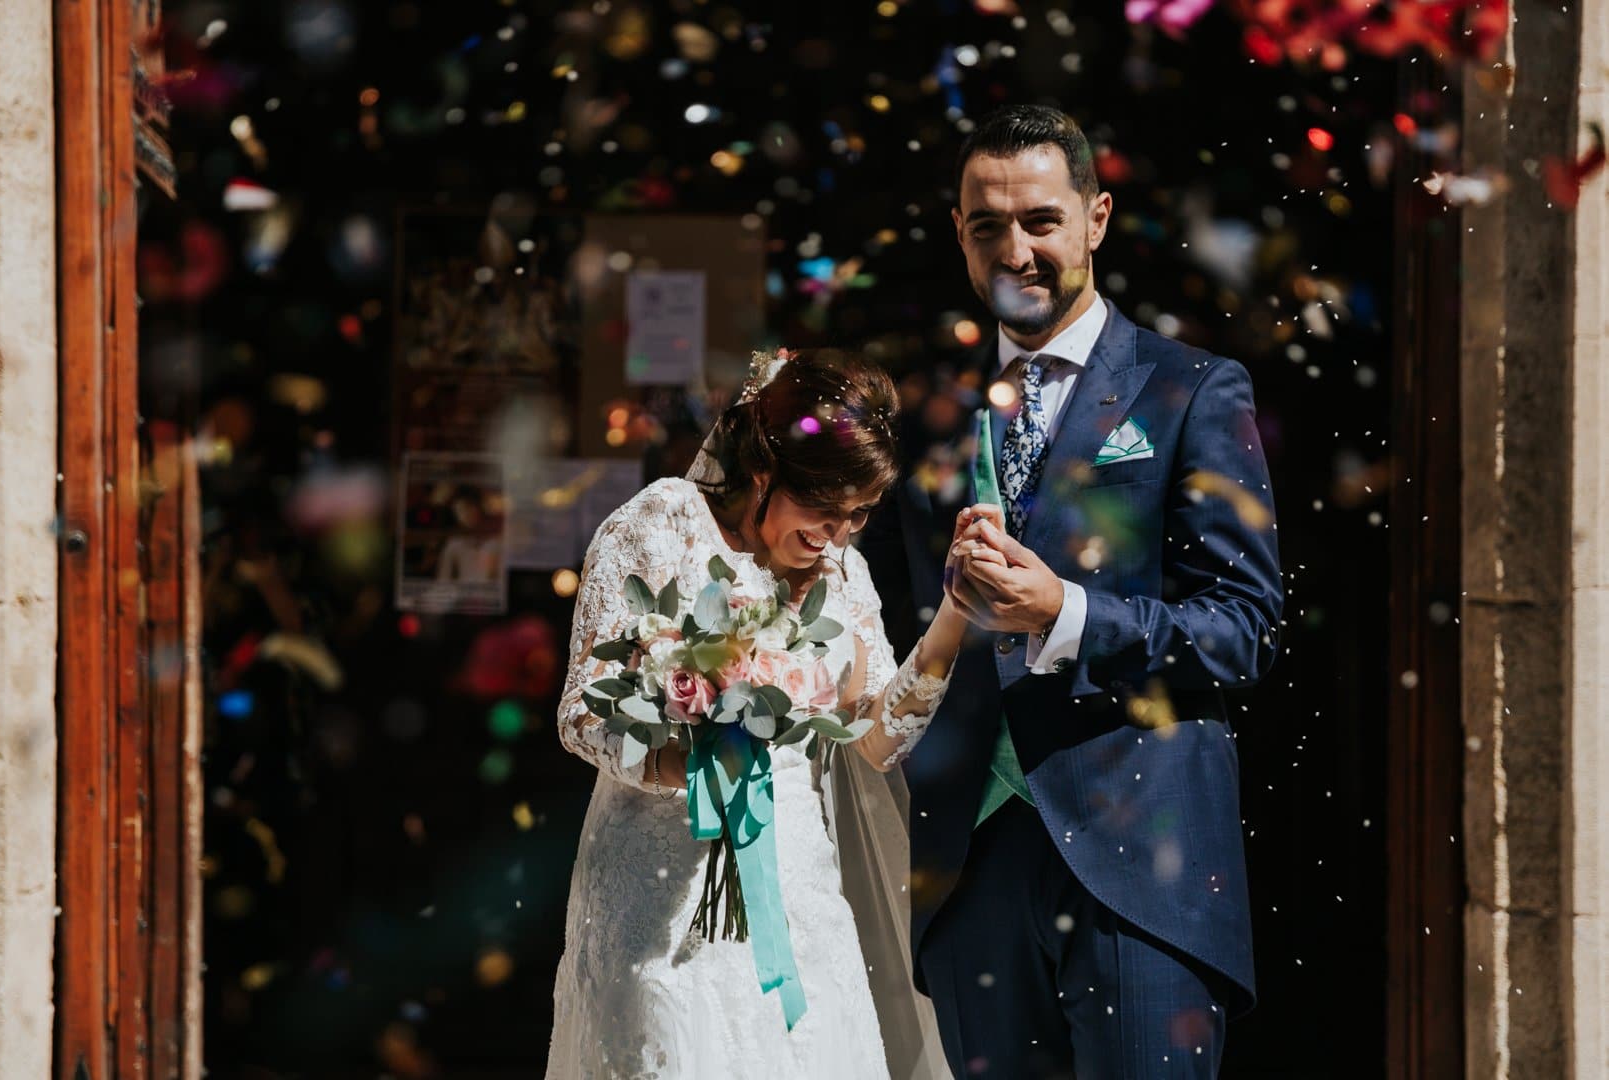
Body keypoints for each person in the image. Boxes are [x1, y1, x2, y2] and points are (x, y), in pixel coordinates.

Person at [858, 104, 1284, 1077]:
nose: (1017, 249)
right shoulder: (929, 411)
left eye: (1041, 220)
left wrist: (1068, 613)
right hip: (966, 863)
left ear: (1095, 217)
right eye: (987, 226)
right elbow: (870, 613)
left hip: (1144, 862)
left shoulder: (1192, 390)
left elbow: (1243, 629)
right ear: (958, 234)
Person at [546, 350, 960, 1078]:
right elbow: (582, 712)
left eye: (858, 516)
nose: (837, 535)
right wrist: (691, 760)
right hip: (661, 891)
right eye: (824, 511)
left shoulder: (842, 572)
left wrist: (954, 620)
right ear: (766, 471)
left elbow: (875, 740)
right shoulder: (663, 523)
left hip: (800, 901)